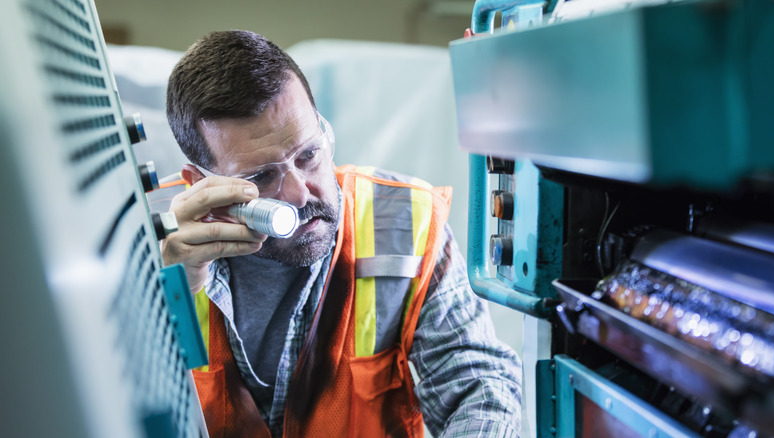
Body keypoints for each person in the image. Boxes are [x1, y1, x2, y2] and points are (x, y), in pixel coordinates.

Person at [162, 30, 523, 437]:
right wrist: (162, 295)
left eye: (309, 155)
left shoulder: (404, 223)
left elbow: (479, 386)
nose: (300, 194)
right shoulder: (151, 239)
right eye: (261, 177)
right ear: (199, 182)